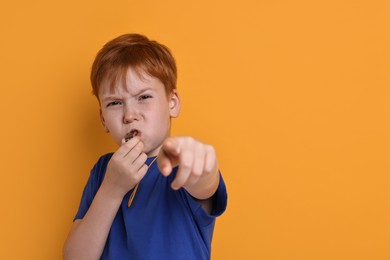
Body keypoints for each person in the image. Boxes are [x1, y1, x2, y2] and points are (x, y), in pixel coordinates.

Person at [63, 33, 228, 260]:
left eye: (144, 97)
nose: (130, 115)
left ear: (172, 103)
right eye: (115, 103)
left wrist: (202, 165)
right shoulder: (104, 171)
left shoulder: (181, 162)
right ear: (103, 119)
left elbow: (205, 184)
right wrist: (111, 190)